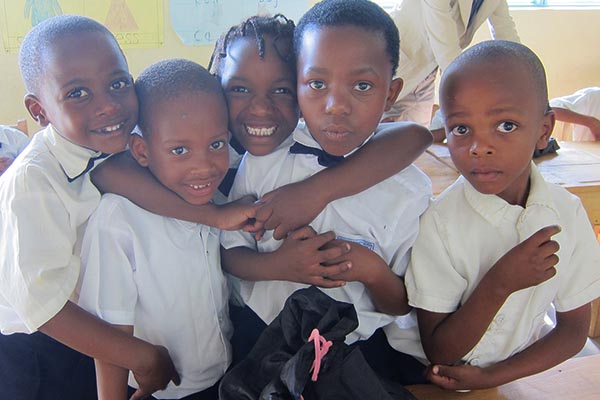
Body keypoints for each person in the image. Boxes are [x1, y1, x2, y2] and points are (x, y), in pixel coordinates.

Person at [220, 0, 432, 384]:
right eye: (317, 84)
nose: (336, 106)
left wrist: (370, 269)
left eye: (362, 86)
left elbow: (400, 302)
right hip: (257, 340)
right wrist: (277, 267)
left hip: (351, 354)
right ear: (298, 84)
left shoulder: (409, 191)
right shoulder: (266, 160)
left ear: (391, 93)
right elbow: (229, 251)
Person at [90, 14, 432, 240]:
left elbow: (414, 136)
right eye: (239, 89)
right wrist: (216, 216)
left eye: (281, 90)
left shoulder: (298, 146)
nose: (260, 108)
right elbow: (107, 172)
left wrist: (317, 191)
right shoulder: (191, 145)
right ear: (214, 87)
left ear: (300, 90)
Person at [403, 40, 600, 390]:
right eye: (461, 129)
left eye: (506, 125)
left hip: (512, 368)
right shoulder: (439, 222)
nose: (479, 146)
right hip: (425, 377)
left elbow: (572, 331)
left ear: (544, 131)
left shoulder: (565, 214)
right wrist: (502, 281)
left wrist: (493, 376)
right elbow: (440, 352)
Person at [0, 15, 179, 400]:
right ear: (39, 110)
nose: (109, 106)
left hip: (91, 330)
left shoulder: (108, 146)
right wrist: (142, 358)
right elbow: (43, 308)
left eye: (118, 84)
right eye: (78, 93)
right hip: (38, 348)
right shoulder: (33, 183)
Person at [79, 59, 233, 400]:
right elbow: (111, 330)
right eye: (179, 150)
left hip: (223, 374)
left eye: (217, 145)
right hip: (163, 391)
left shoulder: (219, 199)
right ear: (142, 151)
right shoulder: (118, 219)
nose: (203, 166)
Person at [383, 0, 520, 126]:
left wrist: (526, 78)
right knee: (368, 133)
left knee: (413, 141)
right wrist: (466, 93)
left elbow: (505, 29)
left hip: (428, 70)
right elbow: (445, 43)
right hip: (399, 58)